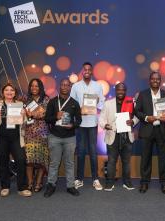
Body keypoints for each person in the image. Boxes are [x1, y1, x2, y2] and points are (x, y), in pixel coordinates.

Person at [0, 83, 32, 197]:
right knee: (3, 162)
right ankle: (5, 187)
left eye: (12, 90)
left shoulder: (20, 104)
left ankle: (22, 188)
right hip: (1, 138)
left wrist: (25, 115)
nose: (9, 92)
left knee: (21, 160)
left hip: (16, 138)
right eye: (7, 90)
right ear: (3, 92)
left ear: (15, 93)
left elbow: (25, 122)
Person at [135, 72, 165, 194]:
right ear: (150, 80)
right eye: (153, 79)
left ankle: (164, 183)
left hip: (161, 130)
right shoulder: (142, 94)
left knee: (163, 158)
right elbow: (137, 111)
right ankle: (144, 182)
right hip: (147, 129)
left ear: (160, 81)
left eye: (157, 79)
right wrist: (147, 118)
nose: (155, 81)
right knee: (145, 158)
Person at [43, 78, 82, 197]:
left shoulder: (74, 103)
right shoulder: (53, 101)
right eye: (63, 85)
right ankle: (51, 185)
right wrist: (56, 116)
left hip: (70, 138)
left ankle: (70, 186)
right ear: (60, 87)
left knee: (70, 162)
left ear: (70, 87)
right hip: (55, 136)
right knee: (54, 163)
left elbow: (79, 120)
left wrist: (73, 125)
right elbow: (47, 119)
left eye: (67, 85)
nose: (65, 87)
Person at [70, 62, 105, 190]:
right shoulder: (76, 86)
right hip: (80, 124)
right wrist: (78, 109)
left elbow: (102, 104)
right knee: (80, 152)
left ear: (92, 72)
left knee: (93, 152)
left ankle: (95, 179)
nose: (87, 71)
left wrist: (96, 103)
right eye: (85, 69)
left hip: (92, 123)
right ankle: (79, 179)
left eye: (89, 69)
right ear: (82, 71)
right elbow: (71, 104)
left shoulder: (97, 86)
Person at [99, 82, 139, 191]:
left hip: (127, 136)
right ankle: (109, 183)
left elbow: (137, 116)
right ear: (115, 91)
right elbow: (101, 118)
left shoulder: (131, 102)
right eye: (118, 90)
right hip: (113, 135)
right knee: (112, 161)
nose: (120, 92)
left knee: (126, 161)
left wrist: (133, 121)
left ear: (125, 91)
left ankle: (127, 182)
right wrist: (104, 125)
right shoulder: (108, 103)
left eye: (123, 90)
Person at [24, 78, 49, 192]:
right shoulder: (25, 99)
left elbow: (43, 115)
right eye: (32, 86)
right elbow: (22, 115)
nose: (34, 88)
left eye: (37, 86)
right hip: (29, 132)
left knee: (41, 159)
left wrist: (32, 114)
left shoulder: (46, 99)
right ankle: (30, 182)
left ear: (41, 87)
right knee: (29, 159)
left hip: (42, 133)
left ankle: (38, 182)